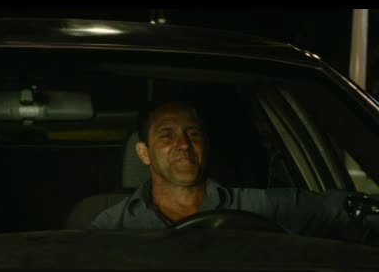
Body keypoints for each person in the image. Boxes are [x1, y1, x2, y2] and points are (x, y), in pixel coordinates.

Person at [91, 100, 379, 243]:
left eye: (193, 133)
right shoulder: (111, 227)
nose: (184, 144)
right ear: (144, 153)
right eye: (167, 135)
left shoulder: (263, 207)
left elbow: (341, 210)